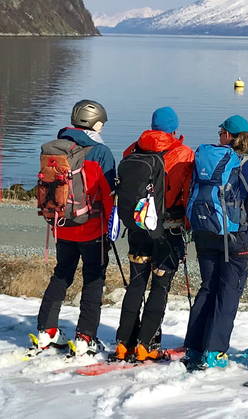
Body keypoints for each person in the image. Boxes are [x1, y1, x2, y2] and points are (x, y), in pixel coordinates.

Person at [182, 115, 248, 371]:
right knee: (228, 292)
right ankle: (215, 351)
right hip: (237, 237)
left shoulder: (204, 159)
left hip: (205, 231)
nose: (219, 135)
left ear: (229, 136)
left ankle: (194, 347)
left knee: (207, 287)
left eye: (221, 132)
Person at [113, 107, 194, 362]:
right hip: (167, 229)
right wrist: (188, 226)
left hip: (137, 227)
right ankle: (145, 344)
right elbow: (187, 193)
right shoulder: (184, 154)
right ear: (174, 129)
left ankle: (123, 343)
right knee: (160, 285)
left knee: (136, 284)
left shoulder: (132, 150)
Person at [34, 100, 115, 356]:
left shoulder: (56, 148)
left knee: (62, 274)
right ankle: (85, 336)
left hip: (61, 225)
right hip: (91, 229)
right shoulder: (100, 152)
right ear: (97, 123)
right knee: (93, 278)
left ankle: (46, 331)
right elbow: (108, 194)